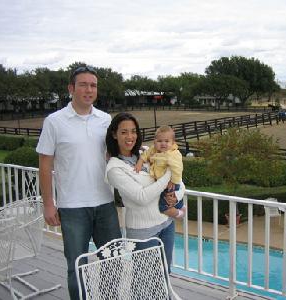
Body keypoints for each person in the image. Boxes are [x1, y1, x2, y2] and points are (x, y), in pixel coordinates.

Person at [36, 66, 121, 300]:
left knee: (112, 262)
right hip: (72, 207)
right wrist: (48, 204)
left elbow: (115, 155)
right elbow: (45, 164)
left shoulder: (105, 120)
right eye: (83, 84)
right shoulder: (54, 121)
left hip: (105, 203)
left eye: (93, 85)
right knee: (76, 266)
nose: (89, 89)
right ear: (71, 88)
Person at [105, 112, 184, 272]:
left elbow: (181, 183)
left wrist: (174, 196)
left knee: (165, 274)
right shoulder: (114, 168)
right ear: (114, 135)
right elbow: (142, 197)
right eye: (124, 132)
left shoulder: (148, 152)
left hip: (166, 223)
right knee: (145, 281)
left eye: (133, 131)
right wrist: (169, 173)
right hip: (143, 232)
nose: (130, 136)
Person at [134, 125, 186, 219]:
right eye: (159, 141)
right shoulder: (153, 149)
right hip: (162, 182)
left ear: (173, 142)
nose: (163, 144)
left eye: (167, 141)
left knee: (164, 206)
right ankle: (180, 205)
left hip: (171, 183)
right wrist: (140, 162)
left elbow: (178, 169)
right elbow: (145, 155)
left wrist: (173, 182)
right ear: (155, 141)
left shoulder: (173, 154)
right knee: (169, 200)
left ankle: (179, 213)